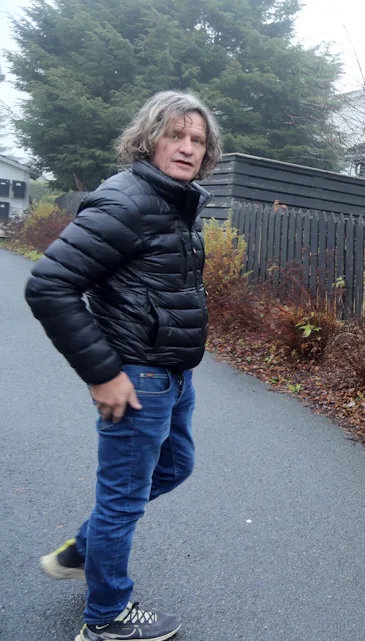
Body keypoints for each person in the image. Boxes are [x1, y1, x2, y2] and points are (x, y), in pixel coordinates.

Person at [25, 90, 222, 641]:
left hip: (172, 376)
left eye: (197, 140)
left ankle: (84, 551)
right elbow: (50, 286)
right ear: (149, 137)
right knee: (123, 499)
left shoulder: (173, 200)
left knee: (174, 467)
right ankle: (106, 618)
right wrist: (104, 374)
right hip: (137, 377)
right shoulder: (127, 201)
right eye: (175, 135)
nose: (186, 148)